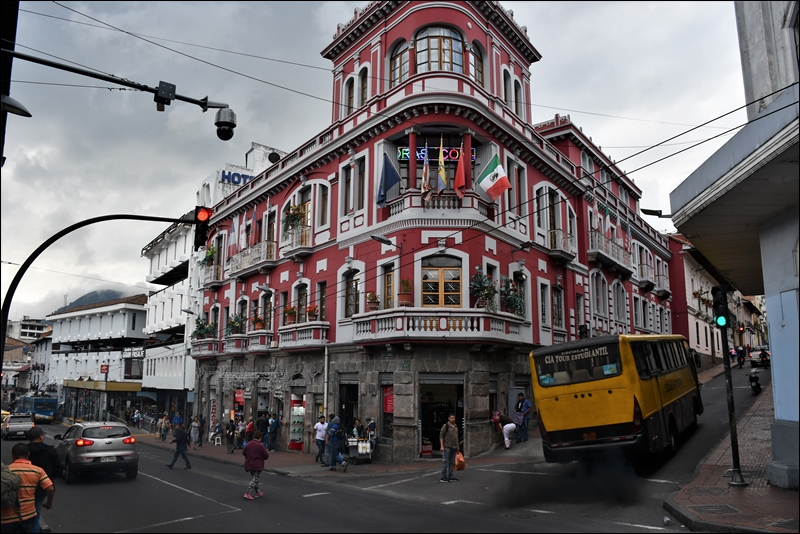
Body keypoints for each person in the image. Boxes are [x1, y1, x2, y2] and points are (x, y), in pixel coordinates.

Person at [1, 443, 54, 534]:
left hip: (6, 517)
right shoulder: (37, 470)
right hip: (28, 515)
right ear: (28, 454)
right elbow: (50, 489)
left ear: (12, 455)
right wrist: (49, 503)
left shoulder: (5, 471)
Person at [26, 427, 62, 533]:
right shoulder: (50, 450)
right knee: (36, 515)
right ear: (40, 437)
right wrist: (50, 477)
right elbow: (58, 469)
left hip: (25, 486)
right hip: (42, 486)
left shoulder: (24, 450)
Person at [242, 431, 269, 500]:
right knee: (255, 479)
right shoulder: (260, 445)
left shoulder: (248, 444)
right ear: (259, 438)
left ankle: (257, 492)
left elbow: (244, 452)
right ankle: (248, 493)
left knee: (255, 478)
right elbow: (266, 456)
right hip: (257, 464)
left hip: (249, 463)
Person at [439, 413, 460, 483]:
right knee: (446, 462)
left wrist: (457, 446)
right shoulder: (446, 426)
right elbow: (441, 436)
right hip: (447, 446)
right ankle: (443, 477)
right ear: (448, 418)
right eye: (451, 418)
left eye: (454, 418)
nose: (453, 419)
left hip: (454, 447)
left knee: (452, 462)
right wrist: (442, 446)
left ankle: (451, 475)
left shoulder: (456, 426)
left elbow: (456, 437)